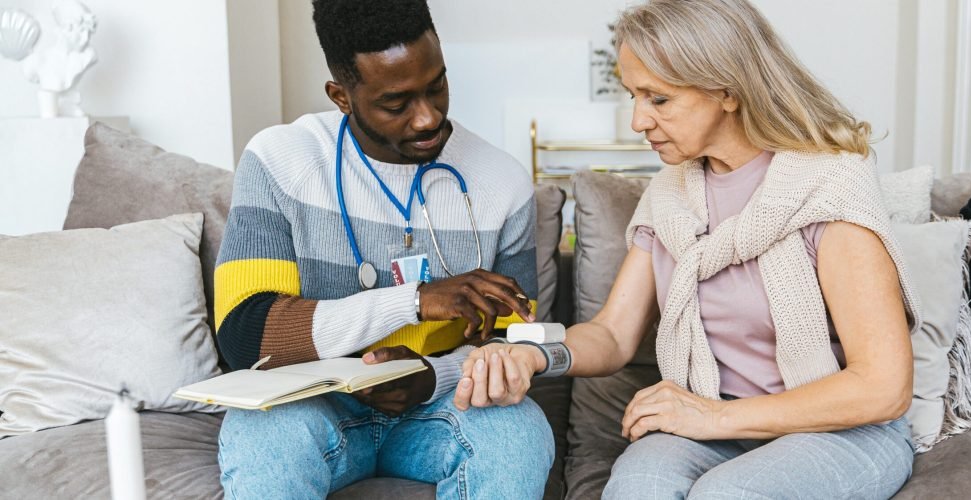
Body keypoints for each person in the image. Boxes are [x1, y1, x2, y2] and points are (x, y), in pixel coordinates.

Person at [452, 0, 922, 498]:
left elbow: (882, 386)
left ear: (727, 91)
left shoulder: (828, 187)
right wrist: (532, 355)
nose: (637, 120)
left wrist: (716, 415)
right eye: (633, 95)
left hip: (839, 431)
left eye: (658, 99)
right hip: (716, 426)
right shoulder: (670, 195)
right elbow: (612, 334)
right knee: (635, 489)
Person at [213, 0, 553, 498]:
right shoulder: (279, 161)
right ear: (342, 96)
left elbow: (518, 345)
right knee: (264, 435)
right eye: (396, 104)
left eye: (437, 85)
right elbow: (245, 334)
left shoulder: (501, 181)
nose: (427, 118)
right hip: (311, 407)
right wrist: (413, 301)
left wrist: (431, 375)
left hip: (440, 409)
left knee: (517, 429)